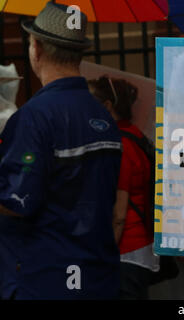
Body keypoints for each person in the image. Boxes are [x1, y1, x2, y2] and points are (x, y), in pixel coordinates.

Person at [0, 2, 122, 299]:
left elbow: (16, 201)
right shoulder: (103, 116)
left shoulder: (34, 117)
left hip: (47, 277)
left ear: (37, 48)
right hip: (98, 274)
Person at [88, 76, 160, 300]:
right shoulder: (134, 134)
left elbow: (119, 214)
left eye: (89, 103)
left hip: (125, 249)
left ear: (107, 107)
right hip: (139, 246)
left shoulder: (120, 145)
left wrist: (104, 254)